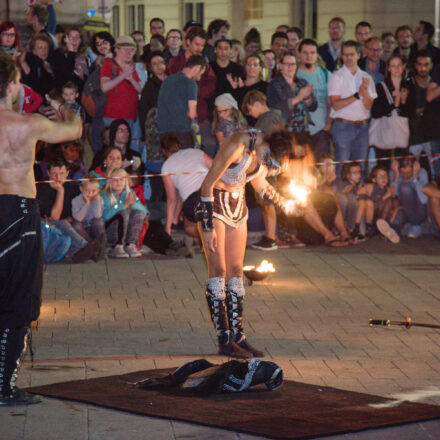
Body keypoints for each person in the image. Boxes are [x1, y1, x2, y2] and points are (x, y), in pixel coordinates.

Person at [0, 54, 81, 406]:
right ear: (11, 85)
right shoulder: (27, 123)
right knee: (19, 298)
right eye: (18, 82)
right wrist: (65, 108)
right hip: (17, 212)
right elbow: (75, 130)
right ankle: (3, 386)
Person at [196, 130, 304, 359]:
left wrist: (284, 203)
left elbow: (260, 184)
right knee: (219, 272)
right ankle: (224, 340)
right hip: (214, 205)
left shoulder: (260, 151)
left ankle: (238, 337)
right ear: (263, 146)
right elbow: (206, 186)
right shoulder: (235, 146)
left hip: (238, 207)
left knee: (236, 272)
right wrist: (207, 229)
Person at [37, 157, 100, 263]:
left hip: (69, 226)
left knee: (75, 223)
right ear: (48, 173)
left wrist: (71, 217)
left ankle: (82, 252)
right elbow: (54, 218)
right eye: (54, 173)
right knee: (62, 223)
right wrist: (60, 191)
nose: (58, 177)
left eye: (62, 173)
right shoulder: (41, 188)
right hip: (48, 228)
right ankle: (88, 248)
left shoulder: (73, 187)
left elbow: (76, 213)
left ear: (67, 173)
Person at [328, 40, 377, 177]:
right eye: (345, 55)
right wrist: (357, 95)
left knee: (361, 166)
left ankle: (361, 196)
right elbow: (335, 104)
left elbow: (368, 105)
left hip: (362, 127)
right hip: (343, 127)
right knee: (342, 167)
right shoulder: (336, 76)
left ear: (359, 55)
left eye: (352, 54)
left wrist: (364, 91)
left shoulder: (366, 77)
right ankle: (341, 197)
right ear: (341, 57)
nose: (349, 58)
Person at [161, 135, 212, 254]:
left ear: (164, 151)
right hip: (213, 192)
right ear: (179, 145)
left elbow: (172, 200)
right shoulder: (196, 152)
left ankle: (208, 235)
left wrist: (167, 231)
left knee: (189, 228)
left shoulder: (166, 166)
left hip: (195, 199)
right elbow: (216, 167)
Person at [370, 54, 415, 167]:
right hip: (385, 132)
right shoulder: (381, 86)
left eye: (399, 65)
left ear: (404, 67)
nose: (396, 69)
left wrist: (403, 101)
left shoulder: (409, 85)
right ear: (388, 68)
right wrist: (393, 103)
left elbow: (412, 112)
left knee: (401, 165)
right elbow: (376, 112)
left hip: (402, 132)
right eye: (393, 66)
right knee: (383, 165)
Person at [157, 54, 206, 149]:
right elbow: (192, 114)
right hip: (181, 132)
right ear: (197, 68)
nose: (200, 77)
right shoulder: (191, 84)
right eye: (201, 73)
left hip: (163, 132)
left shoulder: (168, 80)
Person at [100, 35, 142, 145]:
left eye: (131, 50)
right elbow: (104, 87)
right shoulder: (109, 63)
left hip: (131, 116)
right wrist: (123, 75)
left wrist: (132, 79)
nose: (129, 53)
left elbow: (140, 89)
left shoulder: (130, 67)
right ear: (116, 50)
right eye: (125, 49)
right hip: (112, 115)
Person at [296, 39, 332, 159]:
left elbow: (330, 103)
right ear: (299, 54)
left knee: (321, 170)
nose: (308, 56)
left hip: (321, 130)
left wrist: (328, 124)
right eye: (305, 52)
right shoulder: (293, 75)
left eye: (312, 53)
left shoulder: (326, 75)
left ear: (317, 55)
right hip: (299, 132)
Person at [266, 51, 317, 134]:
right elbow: (276, 106)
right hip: (283, 130)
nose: (290, 67)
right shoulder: (274, 84)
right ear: (281, 66)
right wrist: (299, 98)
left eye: (293, 64)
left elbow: (314, 107)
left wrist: (310, 102)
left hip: (303, 129)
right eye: (286, 64)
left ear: (296, 66)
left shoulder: (302, 83)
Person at [101, 168, 147, 258]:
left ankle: (130, 244)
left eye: (121, 179)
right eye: (114, 180)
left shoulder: (130, 192)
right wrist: (125, 205)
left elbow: (144, 210)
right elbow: (105, 215)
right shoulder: (104, 194)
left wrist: (132, 205)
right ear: (109, 181)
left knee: (138, 213)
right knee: (123, 213)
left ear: (126, 181)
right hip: (109, 229)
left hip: (125, 229)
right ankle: (116, 246)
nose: (118, 182)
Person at [355, 165, 401, 243]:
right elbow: (370, 204)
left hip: (382, 218)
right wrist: (386, 196)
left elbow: (396, 205)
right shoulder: (370, 186)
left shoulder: (387, 189)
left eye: (385, 176)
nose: (384, 178)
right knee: (388, 199)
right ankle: (381, 230)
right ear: (374, 179)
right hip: (369, 219)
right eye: (380, 176)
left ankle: (384, 228)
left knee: (391, 201)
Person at [408, 51, 434, 177]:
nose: (423, 68)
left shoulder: (436, 86)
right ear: (415, 66)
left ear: (431, 65)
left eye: (426, 64)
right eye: (420, 64)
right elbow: (405, 110)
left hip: (434, 137)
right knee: (413, 174)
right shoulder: (409, 84)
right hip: (413, 138)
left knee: (435, 173)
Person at [390, 155, 428, 238]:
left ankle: (415, 225)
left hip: (419, 209)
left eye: (408, 173)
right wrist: (396, 176)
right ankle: (403, 229)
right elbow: (393, 195)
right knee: (395, 223)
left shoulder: (422, 172)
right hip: (403, 209)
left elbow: (424, 200)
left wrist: (415, 177)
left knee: (405, 187)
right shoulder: (394, 172)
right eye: (402, 172)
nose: (405, 175)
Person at [71, 175, 106, 261]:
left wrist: (96, 200)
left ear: (98, 191)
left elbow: (97, 215)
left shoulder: (99, 199)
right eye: (87, 191)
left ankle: (98, 248)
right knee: (76, 225)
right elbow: (78, 218)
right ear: (81, 189)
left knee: (99, 221)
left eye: (93, 191)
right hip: (83, 231)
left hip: (93, 228)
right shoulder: (75, 200)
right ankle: (92, 248)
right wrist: (87, 204)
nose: (90, 194)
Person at [230, 53, 268, 125]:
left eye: (255, 65)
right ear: (245, 67)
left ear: (260, 68)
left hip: (259, 125)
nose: (251, 67)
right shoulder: (237, 86)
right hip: (240, 125)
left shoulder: (266, 86)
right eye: (249, 65)